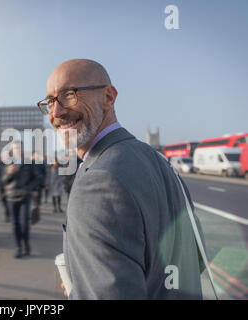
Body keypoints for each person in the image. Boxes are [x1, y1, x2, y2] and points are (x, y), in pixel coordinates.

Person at [39, 59, 206, 299]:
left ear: (108, 97)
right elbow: (196, 260)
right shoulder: (160, 161)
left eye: (69, 94)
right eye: (50, 101)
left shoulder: (96, 182)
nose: (56, 112)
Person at [2, 142, 41, 258]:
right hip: (12, 196)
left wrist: (29, 188)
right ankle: (18, 247)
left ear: (23, 149)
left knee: (24, 223)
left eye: (19, 147)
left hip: (25, 196)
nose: (17, 150)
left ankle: (26, 244)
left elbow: (38, 177)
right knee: (15, 224)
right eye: (15, 148)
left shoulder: (29, 162)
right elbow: (3, 181)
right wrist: (9, 174)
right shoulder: (8, 163)